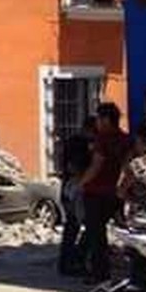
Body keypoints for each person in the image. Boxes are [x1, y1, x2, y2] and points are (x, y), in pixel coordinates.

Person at [78, 102, 131, 282]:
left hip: (96, 191)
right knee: (114, 230)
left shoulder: (102, 139)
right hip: (115, 193)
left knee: (96, 234)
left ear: (107, 120)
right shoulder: (126, 139)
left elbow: (96, 165)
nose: (97, 122)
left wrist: (82, 182)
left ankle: (99, 273)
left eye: (99, 118)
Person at [58, 116, 96, 276]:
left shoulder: (73, 142)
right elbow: (72, 166)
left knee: (72, 228)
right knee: (81, 226)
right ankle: (73, 260)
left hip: (70, 188)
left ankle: (69, 261)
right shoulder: (80, 144)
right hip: (75, 189)